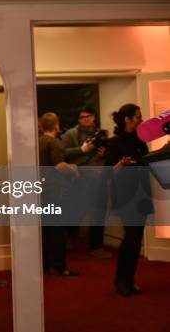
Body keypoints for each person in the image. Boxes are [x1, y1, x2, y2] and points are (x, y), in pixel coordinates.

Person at [105, 104, 152, 297]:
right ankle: (122, 280)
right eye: (138, 117)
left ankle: (130, 280)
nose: (141, 120)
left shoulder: (141, 141)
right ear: (127, 119)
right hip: (125, 195)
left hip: (142, 193)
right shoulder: (114, 143)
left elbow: (147, 163)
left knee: (136, 240)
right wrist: (121, 164)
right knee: (131, 238)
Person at [61, 105, 112, 259]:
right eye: (83, 117)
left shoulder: (102, 134)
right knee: (76, 210)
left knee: (98, 212)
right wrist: (81, 150)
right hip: (79, 176)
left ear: (94, 117)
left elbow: (110, 153)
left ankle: (96, 246)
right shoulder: (71, 134)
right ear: (78, 119)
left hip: (99, 176)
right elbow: (62, 152)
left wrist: (105, 153)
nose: (86, 119)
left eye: (89, 116)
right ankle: (69, 239)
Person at [39, 112, 79, 277]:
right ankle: (59, 266)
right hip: (55, 190)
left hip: (41, 189)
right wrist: (73, 169)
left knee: (45, 230)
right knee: (58, 230)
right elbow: (58, 165)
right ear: (56, 125)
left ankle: (45, 264)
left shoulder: (38, 142)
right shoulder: (54, 142)